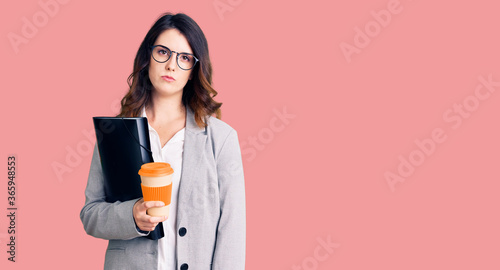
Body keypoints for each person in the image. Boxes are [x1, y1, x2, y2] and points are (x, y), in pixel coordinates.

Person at [80, 12, 246, 270]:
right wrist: (131, 216)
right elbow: (91, 214)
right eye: (163, 52)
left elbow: (232, 231)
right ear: (148, 58)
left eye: (184, 58)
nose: (171, 65)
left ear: (193, 71)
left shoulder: (221, 139)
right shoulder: (115, 131)